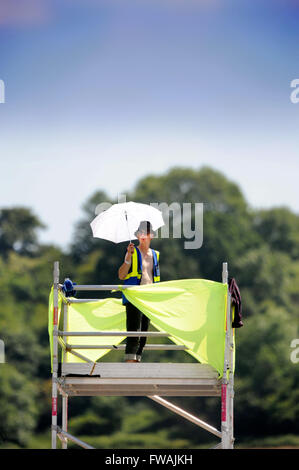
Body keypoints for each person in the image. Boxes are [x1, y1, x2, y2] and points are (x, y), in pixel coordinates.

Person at [118, 220, 160, 363]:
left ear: (151, 235)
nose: (143, 235)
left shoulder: (155, 254)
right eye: (141, 233)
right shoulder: (132, 251)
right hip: (134, 296)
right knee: (133, 331)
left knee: (144, 334)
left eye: (146, 233)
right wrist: (128, 257)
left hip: (149, 297)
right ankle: (130, 361)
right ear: (137, 235)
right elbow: (121, 275)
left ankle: (137, 361)